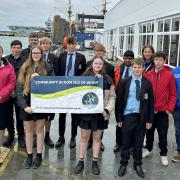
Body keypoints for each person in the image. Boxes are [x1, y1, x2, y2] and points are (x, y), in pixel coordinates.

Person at [74, 56, 115, 175]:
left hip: (100, 114)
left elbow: (112, 97)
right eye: (95, 63)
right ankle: (81, 161)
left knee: (97, 139)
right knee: (84, 138)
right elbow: (77, 93)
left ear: (103, 66)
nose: (97, 65)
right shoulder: (84, 78)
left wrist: (107, 109)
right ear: (92, 64)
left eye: (100, 64)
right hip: (86, 114)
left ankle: (95, 161)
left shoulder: (108, 79)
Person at [115, 58, 154, 178]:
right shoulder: (124, 82)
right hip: (127, 116)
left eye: (139, 67)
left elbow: (151, 103)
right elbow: (119, 101)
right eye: (135, 67)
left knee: (138, 143)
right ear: (132, 68)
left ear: (143, 69)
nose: (137, 69)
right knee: (125, 142)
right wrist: (119, 119)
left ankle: (137, 164)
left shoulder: (147, 83)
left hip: (141, 118)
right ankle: (124, 163)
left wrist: (149, 120)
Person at [16, 45, 54, 169]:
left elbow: (53, 85)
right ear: (31, 54)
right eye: (34, 53)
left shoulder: (48, 67)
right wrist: (24, 106)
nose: (36, 55)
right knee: (28, 130)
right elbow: (19, 88)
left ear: (41, 54)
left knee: (39, 130)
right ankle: (29, 155)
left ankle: (38, 155)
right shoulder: (25, 67)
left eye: (38, 53)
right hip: (27, 103)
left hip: (42, 103)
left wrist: (40, 79)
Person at [143, 51, 177, 166]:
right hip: (150, 111)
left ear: (164, 61)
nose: (158, 62)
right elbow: (144, 92)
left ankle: (163, 154)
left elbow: (173, 94)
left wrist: (169, 108)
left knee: (163, 134)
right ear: (154, 60)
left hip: (163, 111)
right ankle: (148, 149)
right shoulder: (148, 74)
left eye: (160, 60)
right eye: (156, 59)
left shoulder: (169, 75)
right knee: (149, 132)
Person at [54, 36, 87, 149]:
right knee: (62, 115)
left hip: (75, 90)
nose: (71, 46)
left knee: (75, 115)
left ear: (76, 44)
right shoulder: (61, 56)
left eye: (73, 44)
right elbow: (58, 72)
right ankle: (61, 137)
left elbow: (84, 74)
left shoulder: (81, 57)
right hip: (63, 89)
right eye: (69, 44)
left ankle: (73, 137)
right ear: (66, 45)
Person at [87, 43, 115, 151]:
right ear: (94, 52)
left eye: (101, 51)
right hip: (90, 97)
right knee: (89, 121)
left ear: (104, 53)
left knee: (101, 123)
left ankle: (99, 140)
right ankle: (90, 140)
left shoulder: (110, 67)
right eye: (97, 51)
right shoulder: (88, 63)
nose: (99, 53)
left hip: (103, 98)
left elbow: (111, 83)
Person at [4, 40, 26, 148]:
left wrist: (17, 92)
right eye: (14, 47)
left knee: (19, 116)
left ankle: (21, 136)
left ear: (21, 49)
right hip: (8, 93)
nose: (16, 49)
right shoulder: (5, 60)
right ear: (10, 48)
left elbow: (25, 78)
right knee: (8, 116)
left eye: (18, 47)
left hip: (20, 93)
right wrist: (10, 91)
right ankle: (11, 136)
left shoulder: (25, 60)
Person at [39, 37, 58, 148]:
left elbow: (58, 73)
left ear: (50, 45)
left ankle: (47, 135)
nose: (45, 45)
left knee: (49, 115)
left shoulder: (54, 57)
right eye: (43, 43)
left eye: (47, 44)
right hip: (38, 92)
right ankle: (37, 136)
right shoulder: (35, 57)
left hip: (50, 91)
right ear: (40, 45)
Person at [113, 50, 134, 153]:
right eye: (125, 58)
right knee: (119, 121)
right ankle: (118, 143)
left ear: (132, 59)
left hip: (131, 98)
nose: (127, 60)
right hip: (119, 98)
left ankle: (130, 145)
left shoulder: (136, 69)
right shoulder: (118, 69)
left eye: (129, 59)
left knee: (130, 123)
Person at [0, 45, 16, 151]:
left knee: (1, 126)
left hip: (3, 100)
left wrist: (2, 95)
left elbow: (11, 83)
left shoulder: (9, 67)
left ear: (1, 53)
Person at [171, 66, 180, 162]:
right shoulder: (175, 71)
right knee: (179, 131)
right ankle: (179, 152)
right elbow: (171, 88)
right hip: (178, 107)